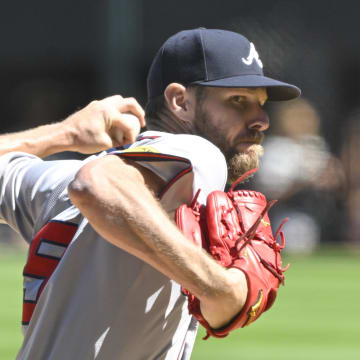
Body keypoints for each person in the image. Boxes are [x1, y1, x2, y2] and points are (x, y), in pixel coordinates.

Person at [0, 28, 300, 359]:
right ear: (180, 102)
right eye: (238, 100)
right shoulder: (199, 153)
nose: (261, 120)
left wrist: (63, 135)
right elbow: (96, 185)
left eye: (260, 103)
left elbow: (93, 181)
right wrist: (217, 286)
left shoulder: (60, 180)